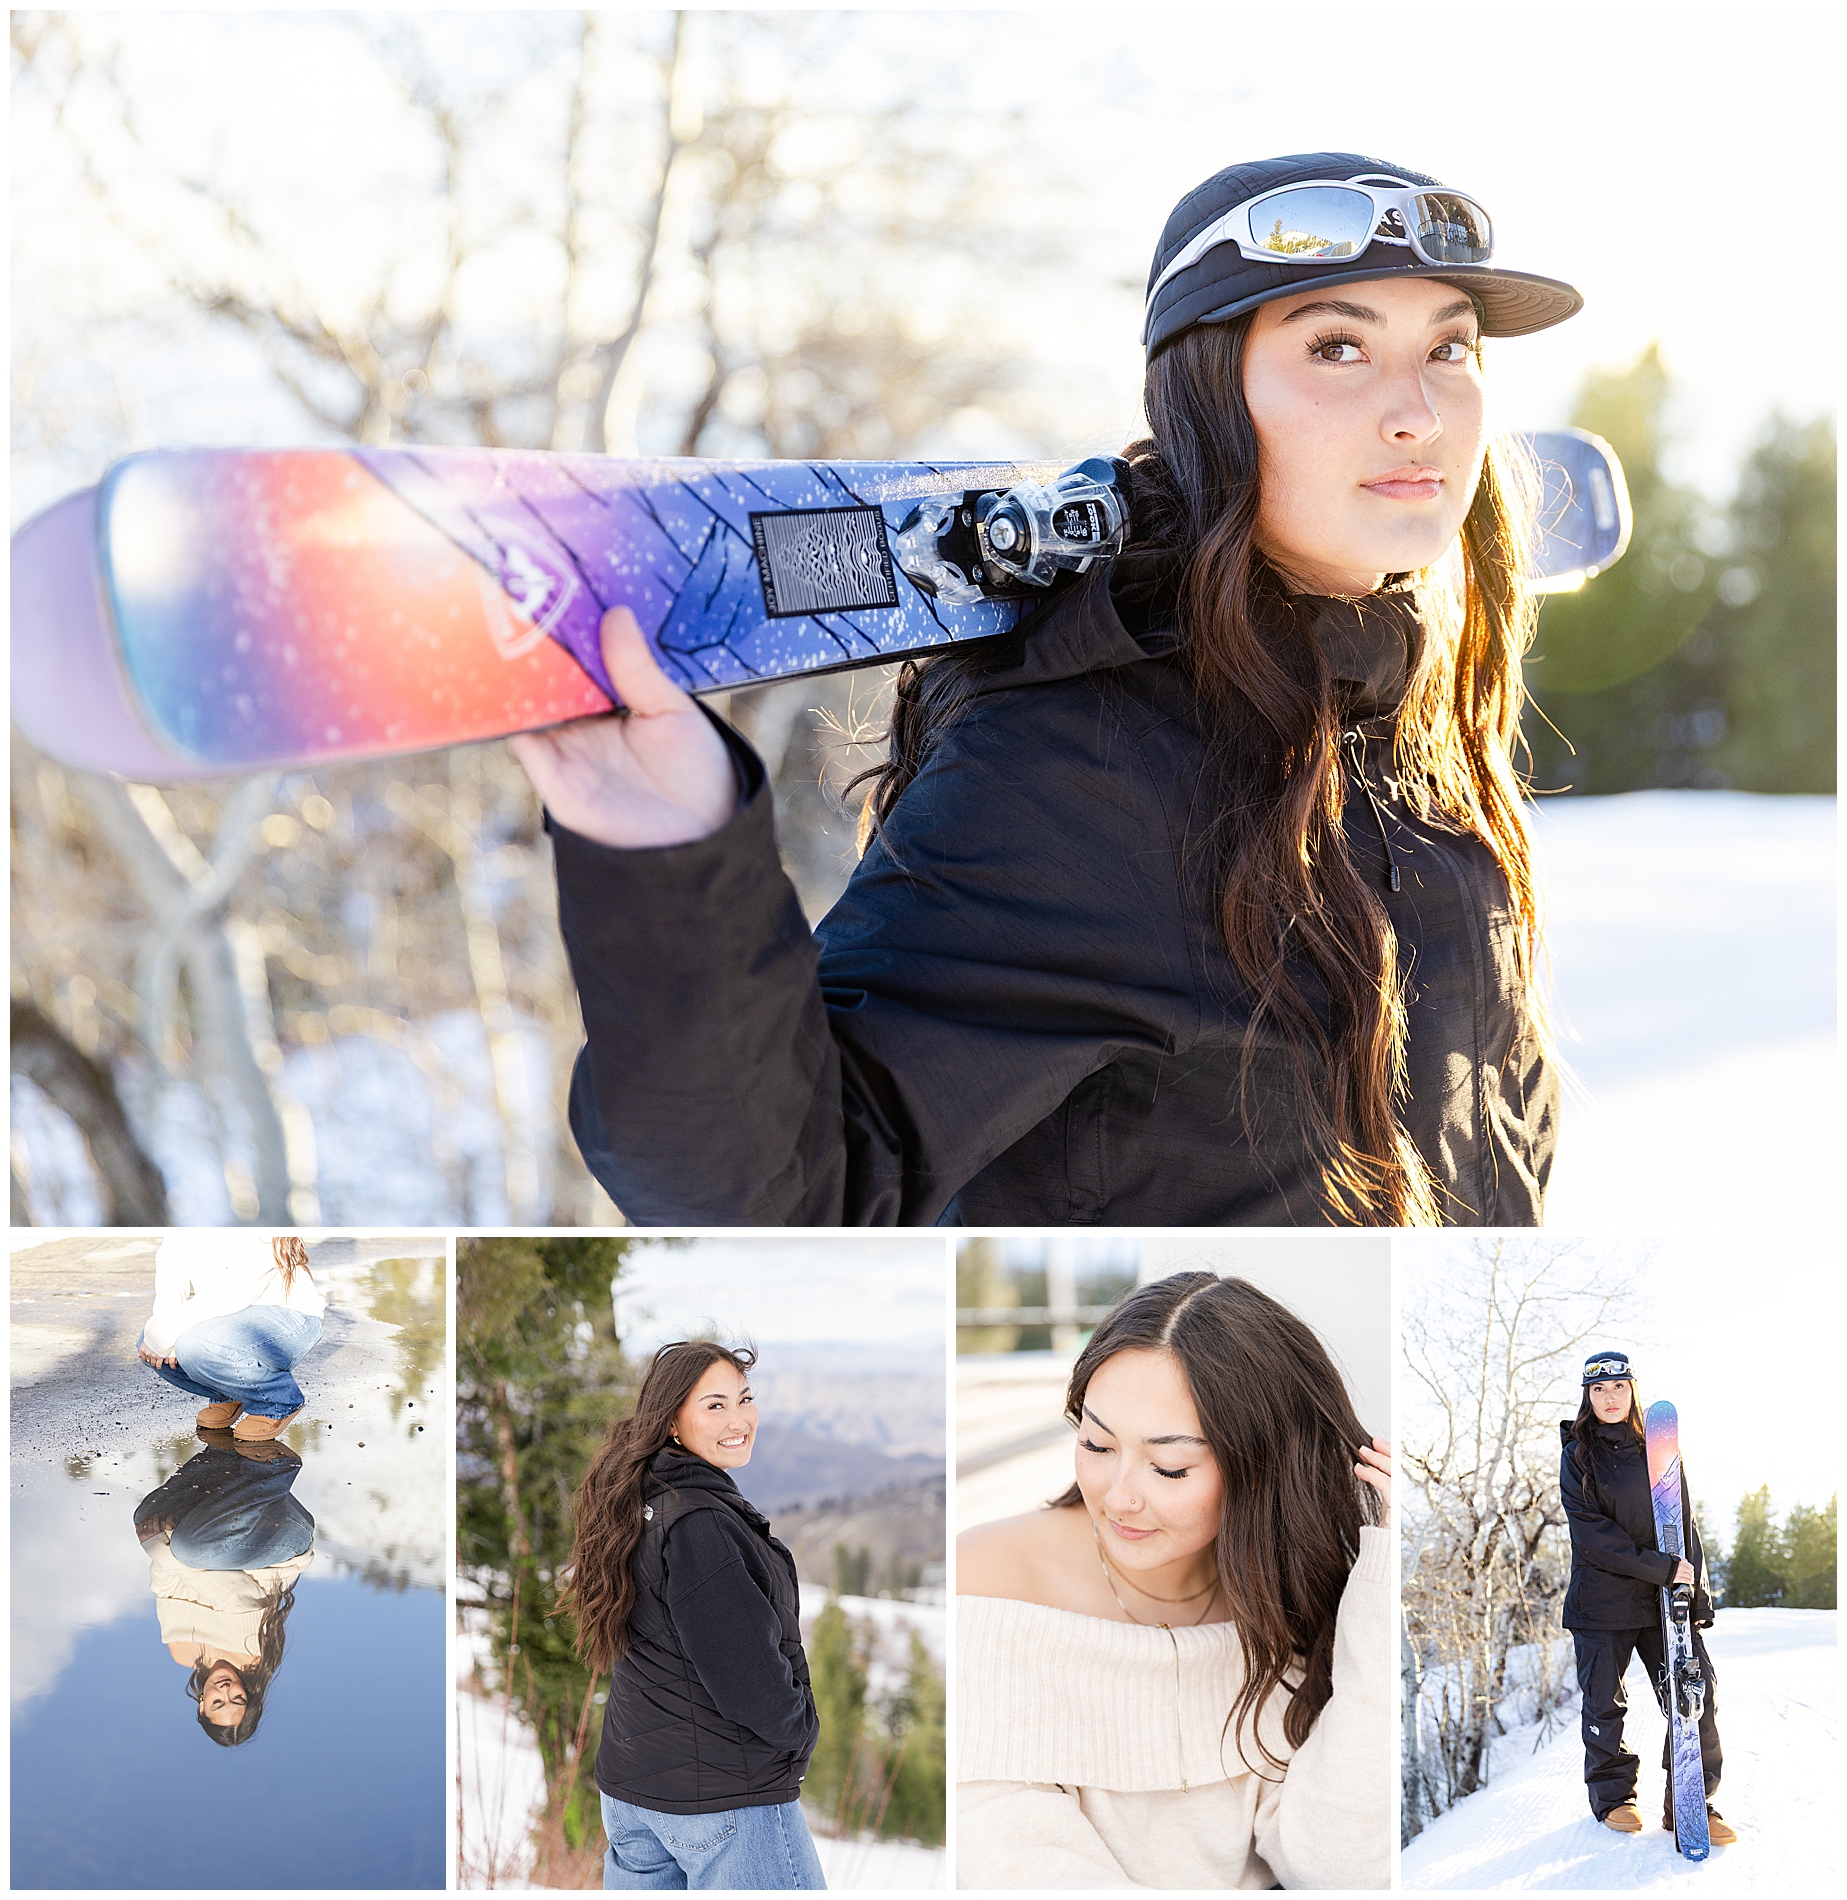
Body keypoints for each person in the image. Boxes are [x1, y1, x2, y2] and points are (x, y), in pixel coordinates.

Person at [514, 152, 1586, 1229]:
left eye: (1448, 347)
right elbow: (789, 1192)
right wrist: (667, 867)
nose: (1418, 413)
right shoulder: (1084, 767)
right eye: (1336, 347)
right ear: (1206, 397)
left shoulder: (1418, 736)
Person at [955, 1272, 1392, 1888]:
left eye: (1169, 1467)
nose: (1120, 1497)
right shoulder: (986, 1586)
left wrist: (1382, 1575)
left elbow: (1344, 1865)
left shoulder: (1282, 1602)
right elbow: (1012, 1859)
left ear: (1263, 1464)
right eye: (1097, 1444)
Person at [560, 1341, 826, 1891]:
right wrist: (801, 1731)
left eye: (744, 1399)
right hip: (723, 1803)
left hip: (634, 1796)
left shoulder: (636, 1499)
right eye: (715, 1405)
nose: (739, 1419)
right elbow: (747, 1677)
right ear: (673, 1421)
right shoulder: (699, 1526)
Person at [1561, 1351, 1735, 1844]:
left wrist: (1694, 1592)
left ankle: (1691, 1802)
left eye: (1618, 1387)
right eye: (1598, 1390)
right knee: (1604, 1703)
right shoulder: (1576, 1455)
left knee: (1694, 1696)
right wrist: (1662, 1569)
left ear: (1632, 1391)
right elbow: (1591, 1534)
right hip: (1601, 1602)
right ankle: (1614, 1798)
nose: (1609, 1397)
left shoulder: (1659, 1448)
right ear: (1587, 1397)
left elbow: (1683, 1522)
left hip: (1664, 1605)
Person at [133, 1435, 316, 1746]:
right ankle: (277, 1468)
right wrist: (161, 1550)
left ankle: (223, 1450)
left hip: (221, 1534)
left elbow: (164, 1586)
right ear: (249, 1696)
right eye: (238, 1699)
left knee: (146, 1519)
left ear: (202, 1703)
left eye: (218, 1702)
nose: (228, 1691)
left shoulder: (182, 1653)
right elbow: (229, 1591)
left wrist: (164, 1549)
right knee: (184, 1547)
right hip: (280, 1538)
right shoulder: (254, 1659)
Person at [136, 1233, 326, 1441]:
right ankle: (230, 1394)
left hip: (289, 1314)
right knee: (150, 1343)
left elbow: (234, 1291)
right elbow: (170, 1281)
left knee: (193, 1345)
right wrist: (162, 1332)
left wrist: (167, 1332)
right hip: (229, 1315)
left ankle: (277, 1401)